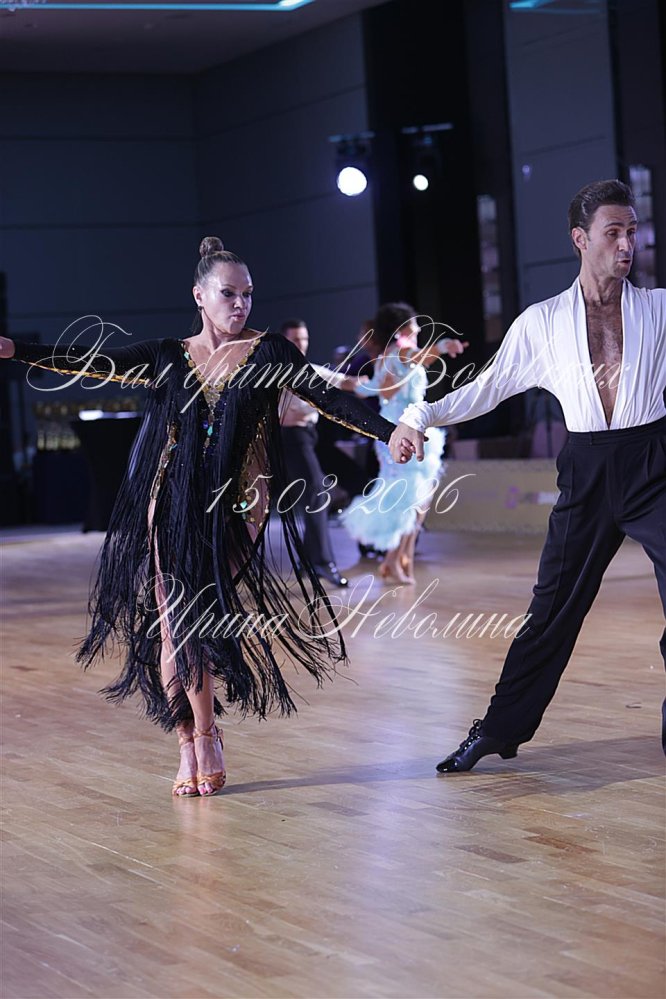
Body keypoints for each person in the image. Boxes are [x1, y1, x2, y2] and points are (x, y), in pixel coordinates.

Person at [1, 236, 403, 797]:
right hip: (170, 498)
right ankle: (190, 741)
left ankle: (207, 733)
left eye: (248, 294)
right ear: (199, 295)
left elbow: (328, 399)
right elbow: (90, 361)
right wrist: (14, 349)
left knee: (196, 615)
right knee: (174, 620)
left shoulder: (271, 353)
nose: (241, 304)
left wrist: (389, 430)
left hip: (239, 504)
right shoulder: (168, 355)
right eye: (228, 294)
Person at [389, 180, 666, 770]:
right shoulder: (542, 323)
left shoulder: (661, 309)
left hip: (654, 465)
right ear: (579, 239)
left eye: (632, 232)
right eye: (613, 233)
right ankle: (498, 729)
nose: (626, 245)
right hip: (587, 471)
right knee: (550, 614)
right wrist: (418, 415)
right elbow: (484, 389)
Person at [341, 302, 467, 584]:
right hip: (403, 433)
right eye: (413, 326)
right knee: (410, 498)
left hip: (397, 430)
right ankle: (393, 559)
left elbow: (370, 390)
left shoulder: (385, 358)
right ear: (400, 331)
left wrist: (353, 384)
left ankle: (400, 557)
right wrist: (444, 346)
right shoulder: (400, 353)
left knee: (417, 497)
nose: (419, 329)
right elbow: (424, 357)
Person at [279, 317, 360, 587]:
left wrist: (381, 377)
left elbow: (347, 382)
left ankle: (308, 561)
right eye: (295, 339)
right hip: (290, 439)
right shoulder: (274, 373)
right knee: (317, 495)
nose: (301, 344)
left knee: (316, 496)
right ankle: (322, 563)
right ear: (284, 341)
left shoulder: (311, 370)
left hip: (309, 438)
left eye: (304, 339)